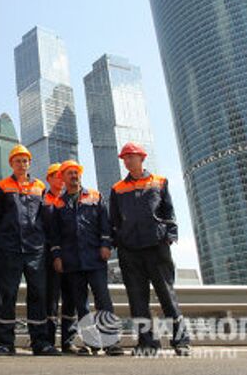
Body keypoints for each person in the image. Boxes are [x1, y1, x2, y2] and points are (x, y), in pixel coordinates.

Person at [109, 142, 191, 357]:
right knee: (137, 299)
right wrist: (119, 242)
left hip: (156, 246)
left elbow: (169, 212)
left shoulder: (159, 182)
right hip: (130, 251)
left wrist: (169, 237)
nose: (127, 160)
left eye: (131, 156)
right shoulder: (117, 188)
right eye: (124, 157)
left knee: (166, 295)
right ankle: (147, 343)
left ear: (141, 158)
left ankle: (181, 341)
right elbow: (114, 220)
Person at [51, 160, 123, 356]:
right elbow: (55, 234)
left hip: (95, 258)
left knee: (103, 300)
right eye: (69, 173)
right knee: (80, 304)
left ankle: (111, 342)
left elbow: (105, 225)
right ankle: (92, 343)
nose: (74, 176)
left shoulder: (95, 196)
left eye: (76, 173)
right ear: (63, 178)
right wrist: (57, 256)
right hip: (72, 261)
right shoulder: (58, 203)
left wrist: (106, 245)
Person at [0, 145, 58, 356]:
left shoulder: (39, 187)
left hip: (35, 249)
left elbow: (45, 218)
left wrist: (44, 242)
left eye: (25, 161)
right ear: (11, 163)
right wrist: (4, 239)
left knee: (38, 294)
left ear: (29, 163)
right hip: (10, 249)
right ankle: (5, 343)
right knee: (8, 294)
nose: (22, 164)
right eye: (17, 161)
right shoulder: (2, 187)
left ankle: (40, 342)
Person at [42, 163, 79, 353]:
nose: (59, 178)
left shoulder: (70, 199)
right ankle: (48, 340)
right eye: (54, 175)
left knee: (70, 298)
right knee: (51, 299)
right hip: (49, 257)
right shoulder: (43, 200)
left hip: (72, 256)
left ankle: (68, 340)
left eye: (60, 175)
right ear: (48, 179)